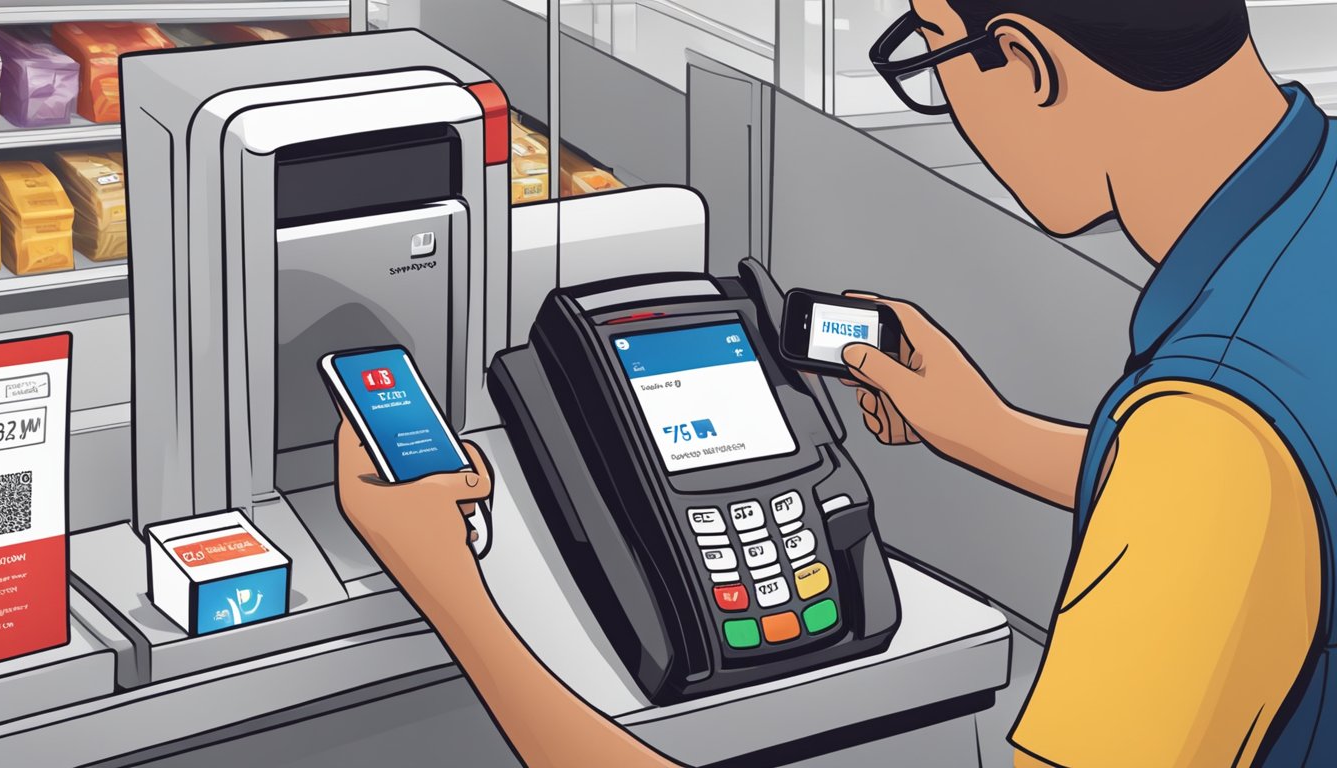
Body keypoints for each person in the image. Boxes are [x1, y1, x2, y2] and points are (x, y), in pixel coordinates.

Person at [334, 0, 1337, 764]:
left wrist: (450, 590)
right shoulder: (1310, 219)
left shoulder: (1209, 437)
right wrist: (984, 431)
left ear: (1027, 66)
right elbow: (1284, 489)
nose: (949, 105)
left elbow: (1217, 481)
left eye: (933, 58)